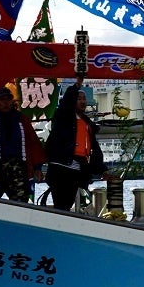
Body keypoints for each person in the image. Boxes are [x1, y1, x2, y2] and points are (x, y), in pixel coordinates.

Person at [45, 82, 104, 211]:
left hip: (76, 169)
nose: (82, 101)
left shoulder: (87, 123)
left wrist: (102, 170)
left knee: (66, 205)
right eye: (79, 99)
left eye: (84, 99)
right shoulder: (64, 118)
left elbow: (94, 148)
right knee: (61, 205)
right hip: (61, 167)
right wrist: (77, 84)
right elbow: (65, 104)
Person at [0, 85, 44, 202]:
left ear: (12, 100)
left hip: (18, 170)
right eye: (2, 100)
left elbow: (33, 143)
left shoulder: (21, 119)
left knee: (21, 205)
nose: (5, 103)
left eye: (8, 99)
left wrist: (37, 167)